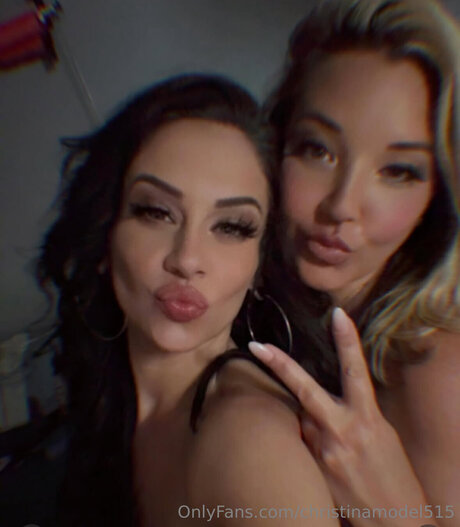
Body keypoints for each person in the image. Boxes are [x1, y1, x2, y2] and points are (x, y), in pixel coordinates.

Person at [37, 73, 354, 527]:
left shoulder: (248, 441)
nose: (187, 259)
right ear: (104, 236)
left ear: (260, 265)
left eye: (232, 227)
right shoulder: (115, 399)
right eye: (157, 212)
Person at [245, 0, 459, 525]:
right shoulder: (256, 306)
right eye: (318, 150)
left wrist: (398, 516)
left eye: (398, 171)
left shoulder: (436, 377)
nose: (342, 205)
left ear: (436, 197)